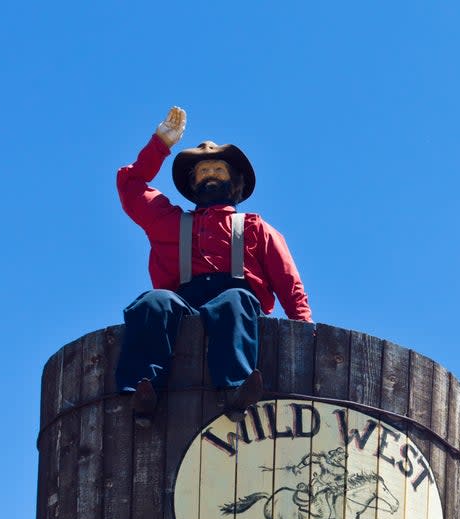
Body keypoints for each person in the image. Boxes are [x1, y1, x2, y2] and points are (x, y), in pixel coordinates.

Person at [115, 106, 312, 422]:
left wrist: (303, 334)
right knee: (153, 301)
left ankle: (234, 391)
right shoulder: (169, 222)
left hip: (238, 305)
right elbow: (130, 185)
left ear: (234, 181)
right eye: (202, 172)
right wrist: (160, 145)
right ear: (193, 185)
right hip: (183, 303)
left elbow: (290, 285)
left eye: (217, 170)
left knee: (234, 300)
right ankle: (142, 393)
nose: (209, 175)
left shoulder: (256, 229)